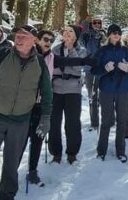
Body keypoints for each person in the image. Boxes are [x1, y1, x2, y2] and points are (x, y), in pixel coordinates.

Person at [0, 25, 90, 200]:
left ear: (33, 40)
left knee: (11, 167)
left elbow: (47, 92)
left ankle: (6, 196)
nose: (19, 38)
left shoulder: (40, 63)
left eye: (24, 36)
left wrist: (45, 117)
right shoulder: (3, 53)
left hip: (20, 121)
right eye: (17, 35)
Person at [48, 25, 93, 165]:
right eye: (65, 31)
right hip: (56, 89)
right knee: (54, 122)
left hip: (73, 89)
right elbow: (51, 65)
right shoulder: (55, 49)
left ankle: (72, 152)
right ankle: (56, 153)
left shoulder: (82, 50)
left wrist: (71, 49)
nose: (66, 33)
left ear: (76, 36)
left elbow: (78, 67)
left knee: (72, 122)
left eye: (70, 31)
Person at [90, 24, 128, 163]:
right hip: (107, 89)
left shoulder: (126, 51)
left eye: (118, 33)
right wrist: (104, 69)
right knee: (106, 121)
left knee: (122, 120)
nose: (116, 35)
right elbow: (93, 70)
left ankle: (120, 151)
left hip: (123, 89)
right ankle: (101, 151)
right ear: (108, 35)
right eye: (113, 32)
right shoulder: (102, 51)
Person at [23, 29, 56, 186]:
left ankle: (33, 171)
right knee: (20, 140)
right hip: (25, 104)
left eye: (51, 40)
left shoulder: (51, 57)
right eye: (46, 39)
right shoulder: (29, 54)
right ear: (37, 40)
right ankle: (10, 171)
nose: (48, 42)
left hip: (40, 104)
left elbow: (69, 62)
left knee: (38, 138)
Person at [80, 15, 107, 130]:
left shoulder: (103, 35)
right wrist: (86, 22)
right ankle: (94, 122)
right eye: (94, 23)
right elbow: (80, 36)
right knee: (93, 96)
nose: (97, 25)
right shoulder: (87, 35)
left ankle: (107, 119)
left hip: (102, 69)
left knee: (104, 96)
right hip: (89, 69)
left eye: (98, 23)